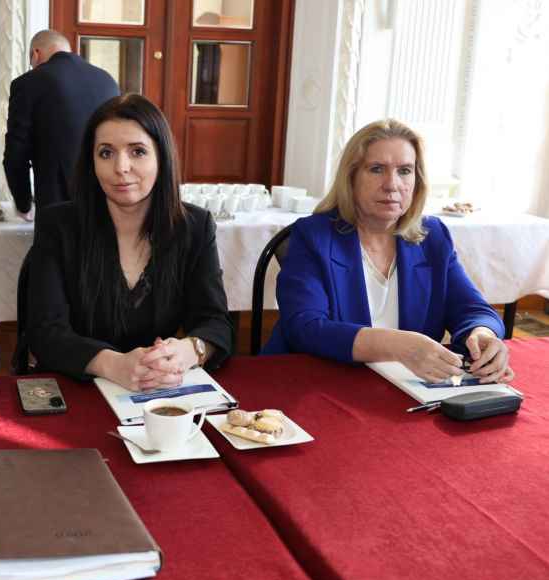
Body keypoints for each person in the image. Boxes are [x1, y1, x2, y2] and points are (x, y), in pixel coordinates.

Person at [263, 118, 513, 383]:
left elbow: (473, 309)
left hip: (403, 388)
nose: (392, 184)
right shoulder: (313, 235)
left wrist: (482, 334)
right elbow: (305, 327)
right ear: (351, 177)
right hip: (316, 382)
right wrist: (396, 346)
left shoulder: (432, 236)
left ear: (417, 180)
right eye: (376, 169)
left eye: (404, 171)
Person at [26, 94, 233, 391]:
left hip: (159, 393)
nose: (121, 167)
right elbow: (45, 331)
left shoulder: (194, 227)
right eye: (106, 153)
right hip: (78, 389)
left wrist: (189, 351)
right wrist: (113, 364)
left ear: (161, 157)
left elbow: (216, 323)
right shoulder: (58, 225)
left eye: (137, 151)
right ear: (91, 162)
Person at [3, 29, 119, 220]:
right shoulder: (107, 80)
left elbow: (16, 153)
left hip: (57, 207)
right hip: (106, 205)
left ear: (35, 54)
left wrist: (23, 204)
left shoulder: (28, 83)